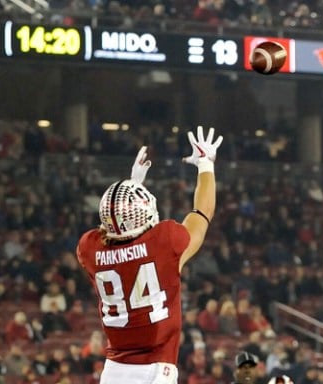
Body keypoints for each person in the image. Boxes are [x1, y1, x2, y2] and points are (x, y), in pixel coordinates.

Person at [76, 126, 223, 384]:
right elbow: (202, 213)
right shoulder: (164, 242)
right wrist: (205, 164)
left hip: (113, 371)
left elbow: (116, 232)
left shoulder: (89, 249)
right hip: (154, 370)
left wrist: (132, 186)